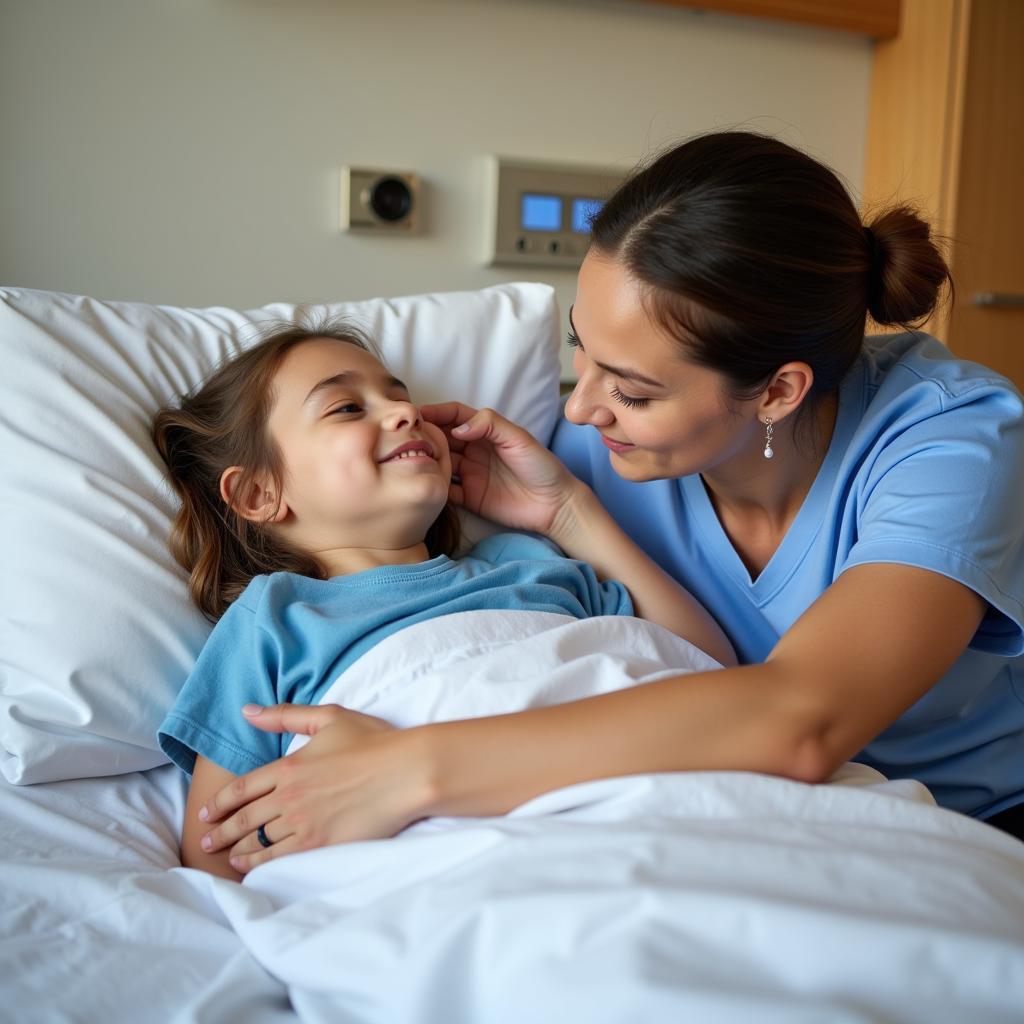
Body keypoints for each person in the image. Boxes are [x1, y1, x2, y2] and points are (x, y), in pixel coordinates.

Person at [196, 131, 1024, 873]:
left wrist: (409, 768)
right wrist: (571, 512)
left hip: (960, 826)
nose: (583, 409)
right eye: (579, 352)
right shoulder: (590, 456)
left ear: (777, 392)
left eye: (629, 390)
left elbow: (795, 719)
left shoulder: (950, 441)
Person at [153, 321, 735, 879]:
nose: (405, 413)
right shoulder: (276, 617)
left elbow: (710, 672)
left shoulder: (526, 562)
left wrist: (568, 511)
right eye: (347, 408)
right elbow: (216, 846)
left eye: (399, 398)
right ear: (260, 491)